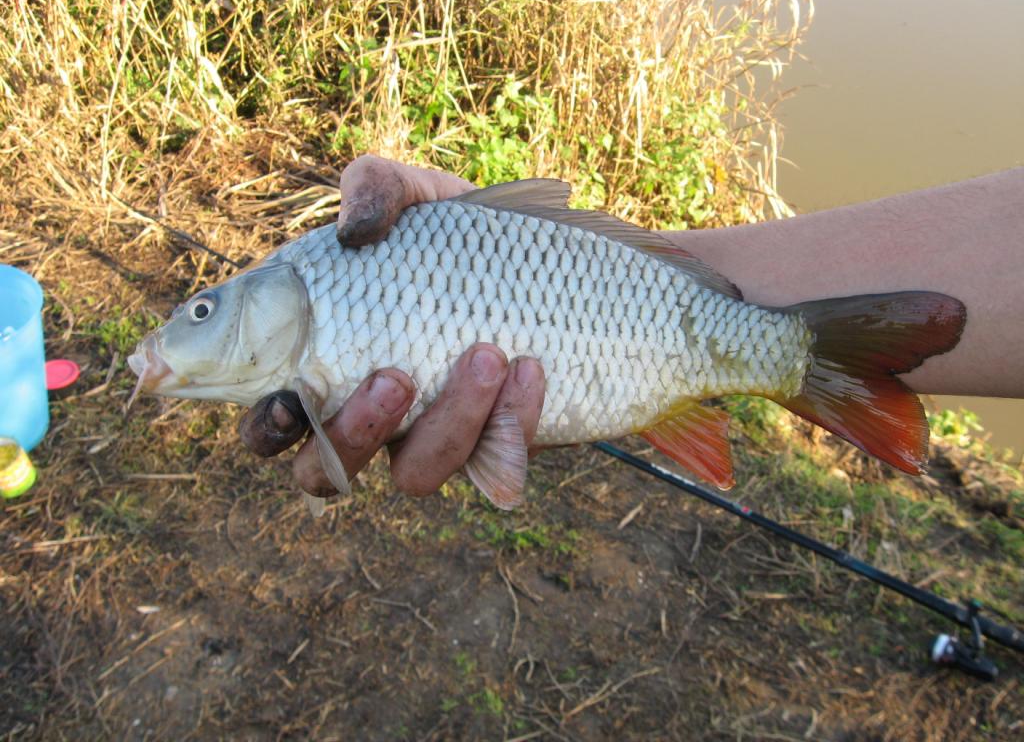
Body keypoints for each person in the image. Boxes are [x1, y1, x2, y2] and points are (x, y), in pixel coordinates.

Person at [238, 155, 1024, 498]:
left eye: (208, 310)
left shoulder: (319, 273)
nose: (199, 322)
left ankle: (798, 355)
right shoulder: (321, 278)